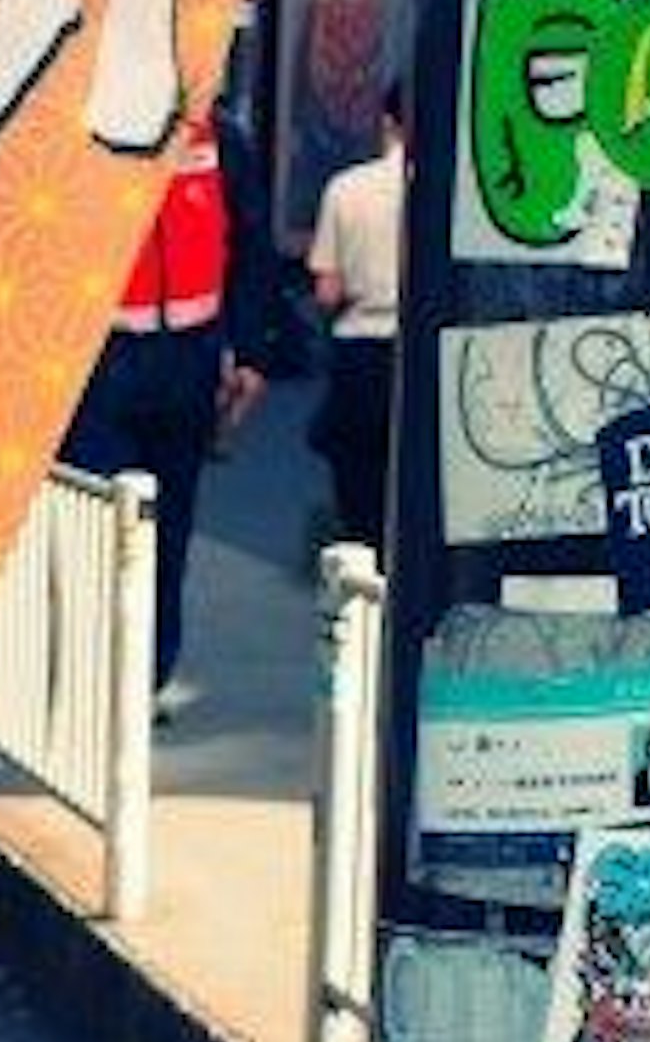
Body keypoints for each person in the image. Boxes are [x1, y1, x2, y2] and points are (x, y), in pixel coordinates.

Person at [62, 90, 281, 722]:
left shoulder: (220, 141)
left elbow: (251, 250)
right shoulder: (83, 132)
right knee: (102, 528)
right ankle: (93, 676)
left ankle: (147, 678)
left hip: (186, 365)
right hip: (99, 366)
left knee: (168, 529)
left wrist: (252, 353)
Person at [306, 91, 410, 558]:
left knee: (358, 486)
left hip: (360, 351)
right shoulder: (444, 193)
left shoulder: (346, 189)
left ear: (387, 121)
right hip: (416, 350)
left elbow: (327, 291)